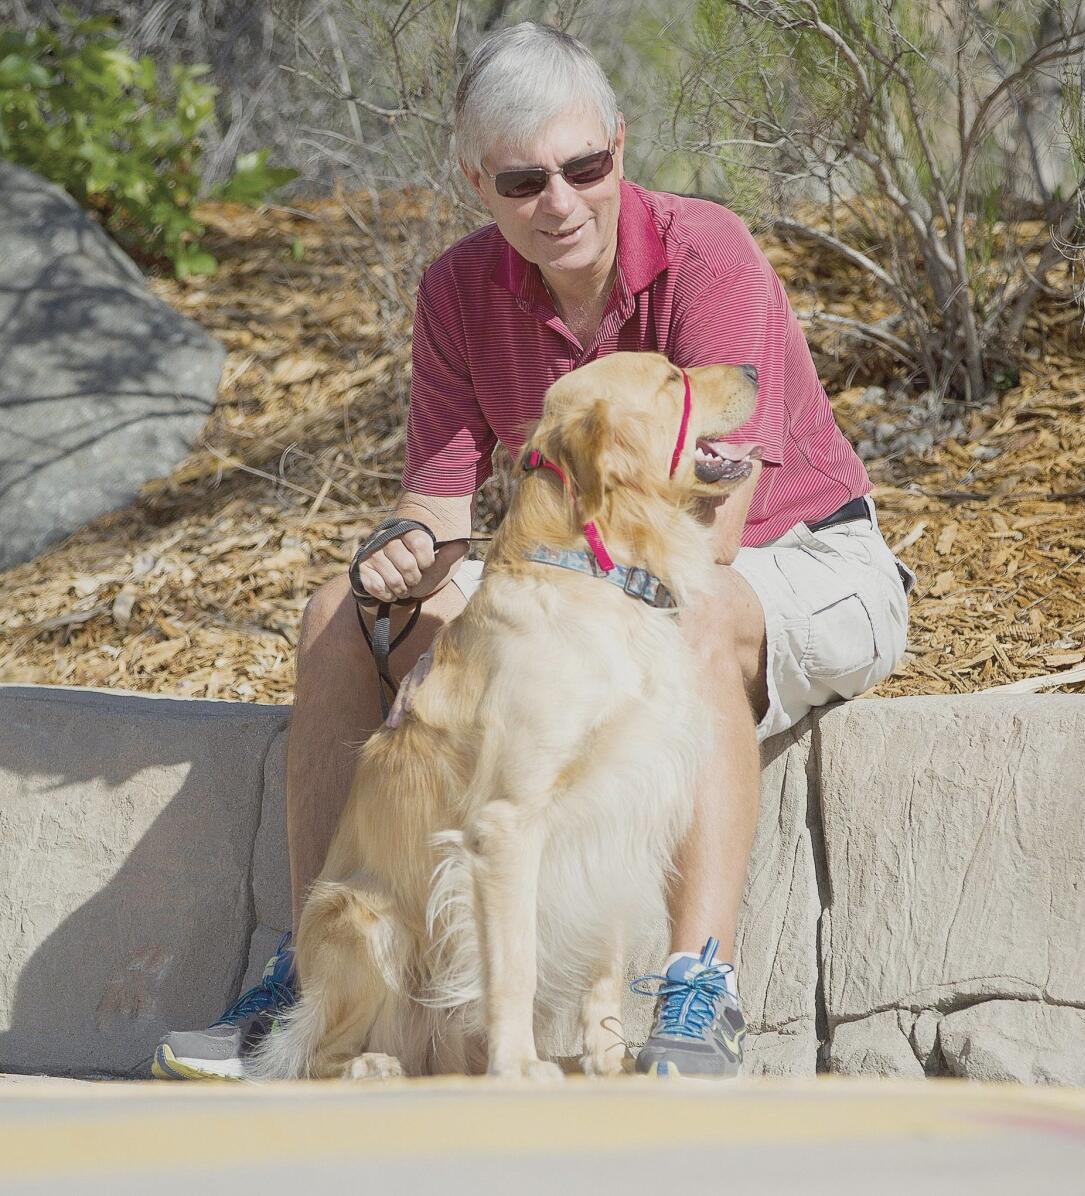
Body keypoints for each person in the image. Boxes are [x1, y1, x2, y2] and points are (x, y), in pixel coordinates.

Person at [153, 21, 914, 1084]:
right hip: (581, 578)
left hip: (794, 554)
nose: (558, 201)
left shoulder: (708, 253)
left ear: (619, 142)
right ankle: (321, 976)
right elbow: (439, 520)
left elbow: (713, 533)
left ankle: (698, 988)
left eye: (583, 168)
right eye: (522, 181)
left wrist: (498, 646)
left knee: (694, 613)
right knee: (338, 617)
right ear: (479, 182)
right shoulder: (457, 292)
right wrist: (404, 574)